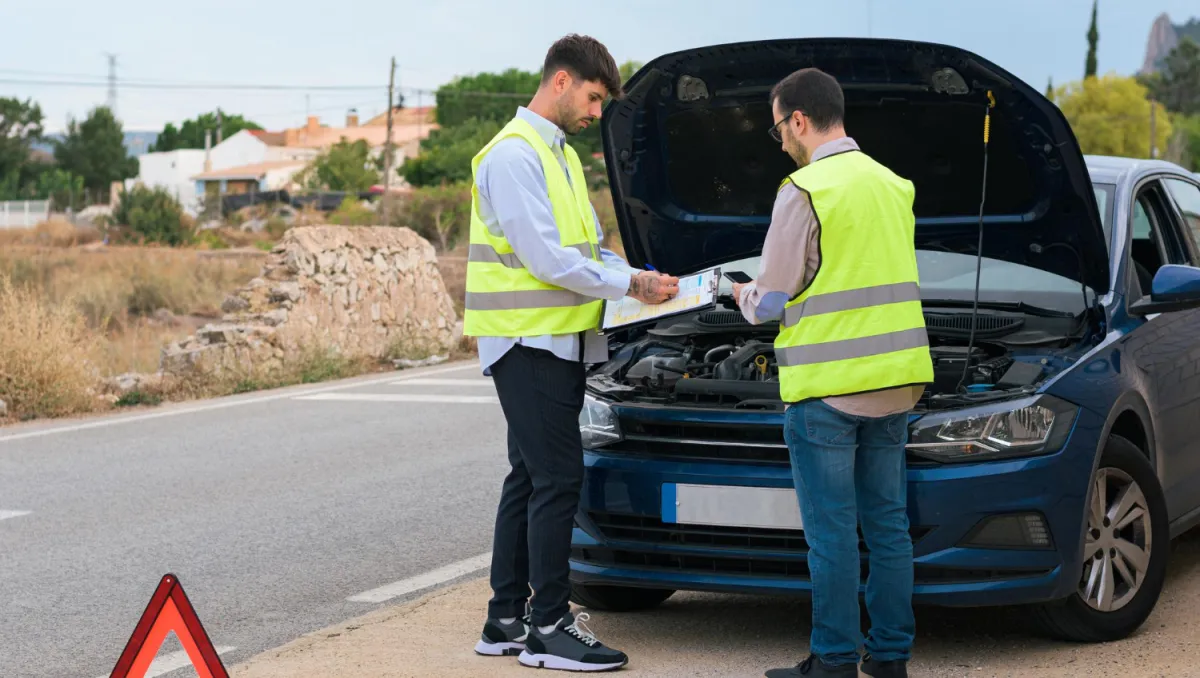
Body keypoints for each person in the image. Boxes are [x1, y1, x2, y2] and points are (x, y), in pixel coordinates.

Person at [463, 33, 679, 673]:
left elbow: (583, 250)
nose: (595, 114)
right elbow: (547, 260)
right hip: (530, 342)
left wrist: (641, 275)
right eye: (591, 98)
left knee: (529, 476)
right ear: (561, 81)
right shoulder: (514, 156)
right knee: (558, 479)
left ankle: (504, 620)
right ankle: (549, 628)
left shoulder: (554, 155)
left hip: (553, 341)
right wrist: (629, 284)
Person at [733, 68, 934, 678]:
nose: (782, 143)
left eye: (778, 130)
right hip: (898, 381)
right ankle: (892, 658)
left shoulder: (805, 188)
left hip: (829, 389)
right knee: (888, 526)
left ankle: (836, 659)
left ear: (797, 120)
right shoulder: (892, 184)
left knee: (833, 535)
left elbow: (771, 302)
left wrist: (736, 292)